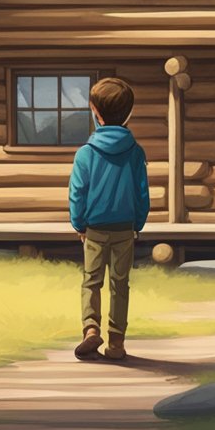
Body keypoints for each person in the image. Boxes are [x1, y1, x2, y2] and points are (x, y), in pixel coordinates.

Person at [69, 77, 149, 361]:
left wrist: (79, 224)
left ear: (94, 110)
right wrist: (137, 224)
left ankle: (91, 329)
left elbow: (78, 193)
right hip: (125, 228)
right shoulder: (136, 153)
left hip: (94, 229)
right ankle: (116, 342)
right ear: (129, 113)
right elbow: (142, 193)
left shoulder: (85, 154)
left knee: (91, 281)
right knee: (120, 284)